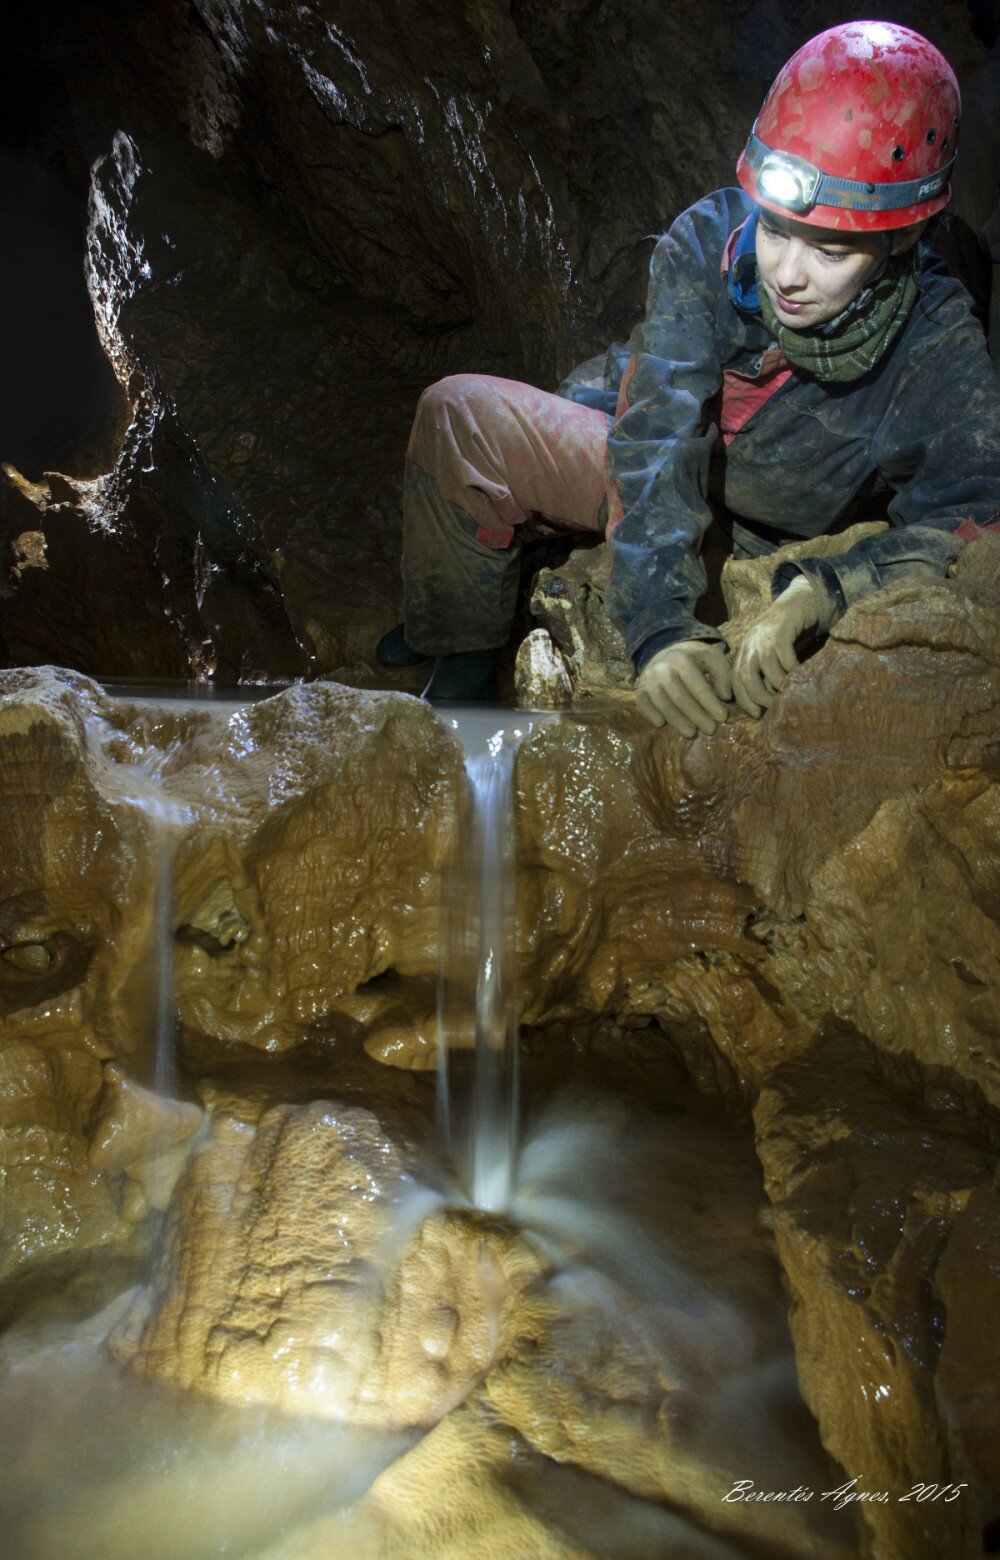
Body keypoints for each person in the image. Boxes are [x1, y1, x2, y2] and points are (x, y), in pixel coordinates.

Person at [378, 21, 1000, 733]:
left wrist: (828, 590)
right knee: (459, 416)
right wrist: (659, 627)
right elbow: (655, 439)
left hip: (758, 523)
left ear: (903, 235)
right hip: (660, 450)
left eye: (830, 251)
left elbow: (973, 518)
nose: (787, 275)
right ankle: (458, 651)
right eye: (775, 231)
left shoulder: (935, 336)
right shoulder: (711, 238)